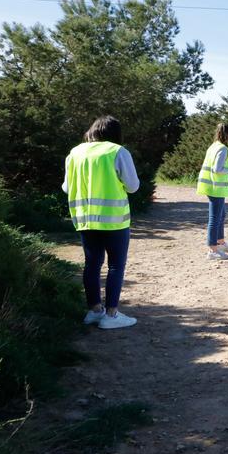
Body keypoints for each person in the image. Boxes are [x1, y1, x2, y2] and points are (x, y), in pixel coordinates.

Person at [63, 115, 140, 330]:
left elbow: (66, 188)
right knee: (116, 265)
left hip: (84, 219)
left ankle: (94, 311)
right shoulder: (118, 151)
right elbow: (133, 186)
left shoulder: (75, 153)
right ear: (115, 133)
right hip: (114, 220)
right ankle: (112, 315)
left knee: (92, 264)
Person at [197, 122, 228, 260]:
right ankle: (212, 250)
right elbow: (217, 169)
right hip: (215, 188)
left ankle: (220, 243)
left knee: (221, 216)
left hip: (215, 188)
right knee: (215, 219)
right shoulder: (222, 149)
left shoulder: (214, 146)